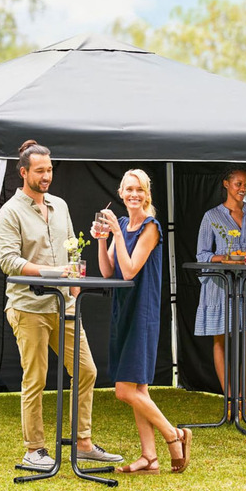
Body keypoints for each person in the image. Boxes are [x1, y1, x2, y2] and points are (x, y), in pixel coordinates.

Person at [0, 140, 123, 467]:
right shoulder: (9, 213)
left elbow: (71, 247)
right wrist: (53, 271)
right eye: (40, 171)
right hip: (29, 307)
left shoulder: (60, 206)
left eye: (49, 169)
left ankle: (82, 442)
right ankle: (34, 449)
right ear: (24, 172)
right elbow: (9, 262)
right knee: (35, 378)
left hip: (64, 305)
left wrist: (76, 278)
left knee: (86, 371)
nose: (46, 175)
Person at [96, 169, 192, 475]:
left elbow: (130, 270)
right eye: (128, 189)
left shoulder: (151, 227)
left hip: (143, 312)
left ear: (146, 194)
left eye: (139, 189)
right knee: (139, 389)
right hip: (123, 310)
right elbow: (108, 271)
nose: (133, 194)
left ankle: (175, 435)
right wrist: (103, 239)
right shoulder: (123, 223)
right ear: (121, 193)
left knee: (124, 390)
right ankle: (149, 458)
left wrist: (118, 235)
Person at [194, 168, 246, 421]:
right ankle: (230, 401)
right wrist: (226, 258)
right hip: (221, 285)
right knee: (222, 340)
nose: (243, 188)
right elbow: (203, 255)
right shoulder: (211, 217)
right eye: (238, 183)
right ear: (226, 183)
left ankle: (242, 399)